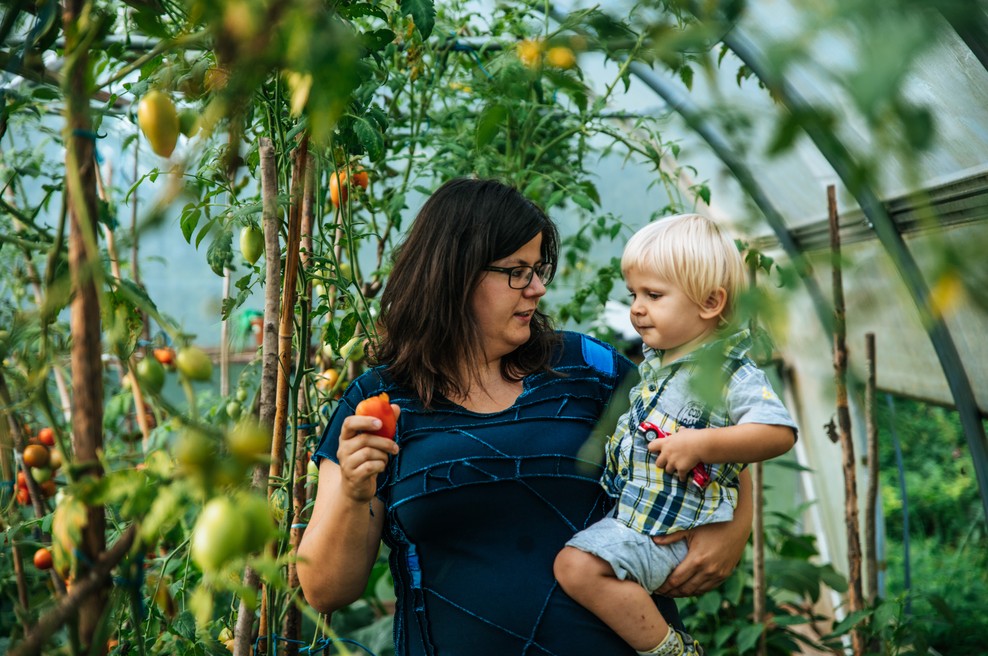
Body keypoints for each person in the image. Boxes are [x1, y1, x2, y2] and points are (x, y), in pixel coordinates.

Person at [297, 180, 755, 655]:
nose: (537, 288)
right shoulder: (380, 400)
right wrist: (354, 492)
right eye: (517, 271)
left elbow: (715, 418)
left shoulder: (588, 368)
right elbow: (326, 590)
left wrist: (736, 523)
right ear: (454, 275)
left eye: (539, 269)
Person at [553, 213, 799, 656]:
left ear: (709, 302)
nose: (636, 308)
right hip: (643, 521)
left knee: (576, 568)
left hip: (670, 534)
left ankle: (670, 650)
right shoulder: (656, 362)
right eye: (633, 294)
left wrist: (700, 443)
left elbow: (778, 432)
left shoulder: (730, 372)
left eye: (654, 295)